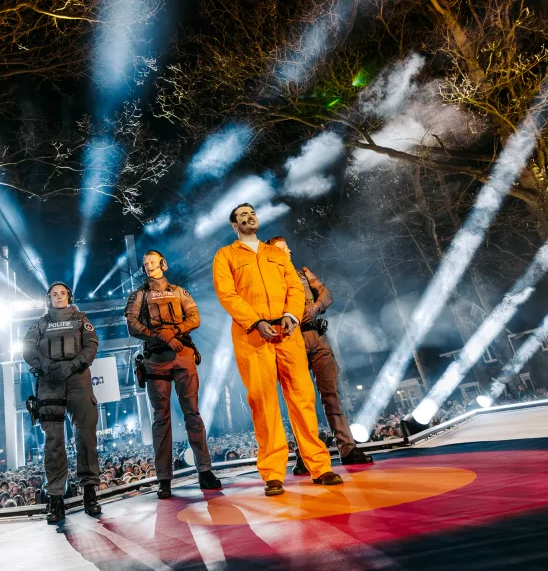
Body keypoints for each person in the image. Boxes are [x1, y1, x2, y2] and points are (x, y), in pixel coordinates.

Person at [212, 203, 343, 495]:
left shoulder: (276, 254)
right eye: (242, 215)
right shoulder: (225, 256)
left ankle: (319, 467)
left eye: (252, 213)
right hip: (253, 337)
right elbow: (227, 294)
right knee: (263, 402)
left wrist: (292, 315)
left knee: (302, 398)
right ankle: (273, 473)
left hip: (288, 333)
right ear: (235, 225)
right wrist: (256, 321)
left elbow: (295, 288)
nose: (249, 217)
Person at [267, 237, 374, 471]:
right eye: (282, 248)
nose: (289, 250)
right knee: (299, 400)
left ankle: (347, 447)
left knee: (332, 394)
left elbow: (326, 293)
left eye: (288, 247)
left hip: (317, 337)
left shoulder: (303, 272)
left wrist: (315, 308)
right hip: (291, 340)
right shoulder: (268, 279)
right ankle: (304, 455)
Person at [124, 250, 221, 498]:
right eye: (145, 263)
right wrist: (160, 335)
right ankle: (164, 478)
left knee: (193, 413)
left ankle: (205, 470)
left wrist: (174, 331)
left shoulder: (179, 291)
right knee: (160, 420)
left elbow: (195, 317)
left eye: (152, 262)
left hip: (182, 356)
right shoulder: (138, 295)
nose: (148, 266)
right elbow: (132, 325)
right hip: (156, 360)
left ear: (163, 264)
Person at [23, 281, 102, 524]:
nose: (58, 296)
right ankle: (56, 499)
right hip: (49, 382)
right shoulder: (40, 324)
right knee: (53, 442)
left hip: (78, 379)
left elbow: (92, 345)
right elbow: (27, 349)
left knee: (86, 438)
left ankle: (90, 493)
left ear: (69, 295)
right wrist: (48, 366)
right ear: (48, 298)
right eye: (54, 294)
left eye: (62, 293)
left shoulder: (81, 319)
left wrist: (74, 364)